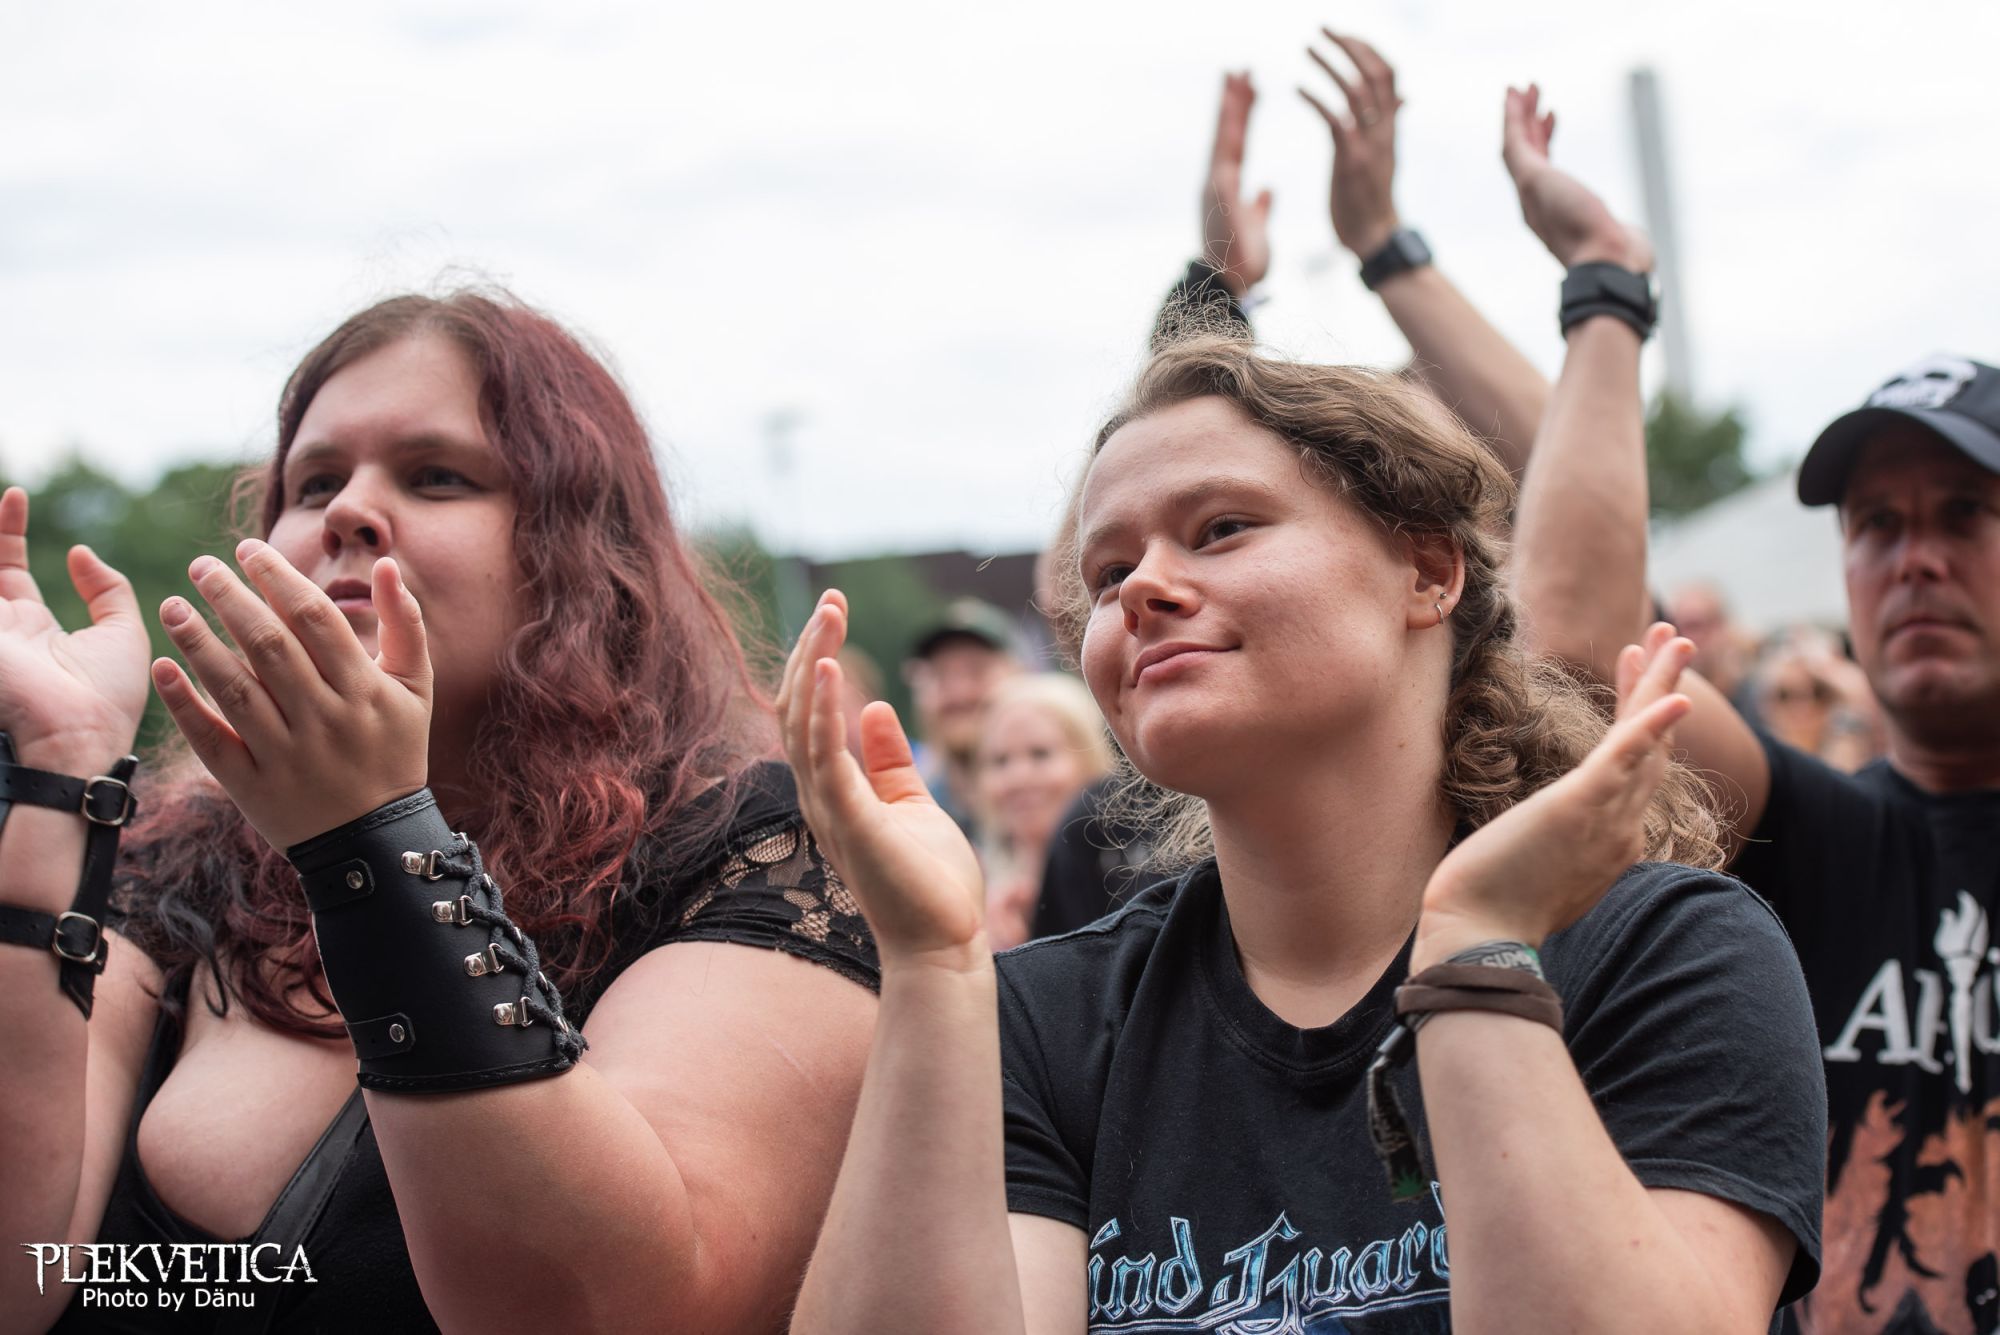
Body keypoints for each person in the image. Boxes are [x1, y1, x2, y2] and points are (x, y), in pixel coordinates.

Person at [777, 327, 1826, 1330]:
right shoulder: (1045, 1018)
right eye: (1107, 574)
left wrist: (1477, 956)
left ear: (1427, 571)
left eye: (1220, 528)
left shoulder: (1668, 951)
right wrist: (929, 966)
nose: (1140, 590)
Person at [0, 290, 877, 1332]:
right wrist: (58, 778)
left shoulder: (752, 853)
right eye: (314, 481)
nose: (348, 511)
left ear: (583, 557)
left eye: (437, 477)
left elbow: (610, 1307)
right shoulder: (181, 862)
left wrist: (368, 840)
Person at [1500, 79, 2000, 1335]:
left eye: (1963, 515)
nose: (1913, 560)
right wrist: (1605, 288)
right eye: (1874, 524)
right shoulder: (1819, 836)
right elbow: (1580, 650)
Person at [970, 674, 1115, 951]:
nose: (1018, 778)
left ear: (1092, 760)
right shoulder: (974, 894)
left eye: (1040, 754)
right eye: (1000, 761)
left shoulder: (1129, 879)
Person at [904, 598, 1027, 836]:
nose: (959, 693)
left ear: (1019, 674)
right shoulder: (913, 814)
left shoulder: (1066, 798)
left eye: (977, 670)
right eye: (940, 675)